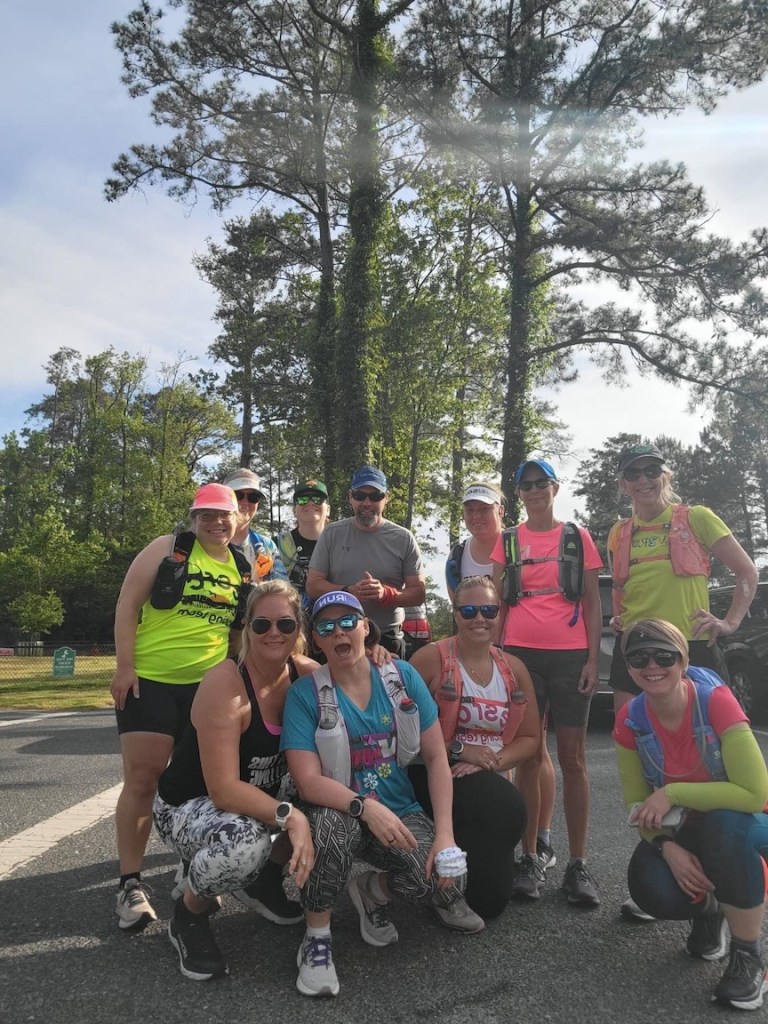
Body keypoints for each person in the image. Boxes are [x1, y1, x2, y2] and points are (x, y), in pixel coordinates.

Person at [282, 591, 482, 998]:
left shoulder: (401, 676)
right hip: (337, 809)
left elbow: (436, 757)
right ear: (316, 641)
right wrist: (365, 807)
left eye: (347, 622)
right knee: (334, 834)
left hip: (399, 810)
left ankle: (372, 891)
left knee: (447, 882)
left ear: (365, 628)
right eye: (325, 627)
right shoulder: (306, 695)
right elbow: (307, 781)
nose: (338, 632)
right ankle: (317, 938)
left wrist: (445, 834)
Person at [607, 442, 757, 920]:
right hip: (634, 656)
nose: (644, 479)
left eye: (652, 470)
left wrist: (729, 622)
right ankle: (670, 855)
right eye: (634, 473)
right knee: (644, 756)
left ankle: (724, 858)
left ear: (664, 475)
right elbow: (621, 588)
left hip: (686, 651)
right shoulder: (619, 532)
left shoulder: (697, 516)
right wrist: (617, 617)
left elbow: (745, 570)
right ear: (624, 483)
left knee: (710, 758)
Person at [152, 581, 318, 980]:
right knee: (243, 845)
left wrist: (378, 649)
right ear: (246, 627)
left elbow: (357, 673)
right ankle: (188, 914)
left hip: (259, 800)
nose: (274, 633)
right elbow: (223, 790)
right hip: (188, 807)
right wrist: (292, 818)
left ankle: (263, 882)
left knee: (329, 799)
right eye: (261, 625)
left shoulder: (307, 675)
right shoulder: (225, 684)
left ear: (299, 629)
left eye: (285, 623)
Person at [110, 483, 252, 931]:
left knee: (200, 785)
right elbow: (128, 603)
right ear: (193, 518)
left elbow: (235, 633)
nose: (216, 523)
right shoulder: (166, 548)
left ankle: (192, 871)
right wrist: (125, 666)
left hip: (205, 691)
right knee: (142, 778)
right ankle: (129, 884)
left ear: (239, 519)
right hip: (150, 680)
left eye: (224, 515)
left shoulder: (242, 567)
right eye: (206, 515)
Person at [613, 619, 768, 1011]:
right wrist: (666, 848)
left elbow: (754, 793)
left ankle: (749, 956)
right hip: (684, 830)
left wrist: (673, 791)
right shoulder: (631, 719)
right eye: (639, 657)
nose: (652, 665)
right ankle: (711, 910)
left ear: (682, 659)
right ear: (629, 667)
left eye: (663, 655)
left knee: (726, 829)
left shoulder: (714, 700)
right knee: (651, 889)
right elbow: (636, 806)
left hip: (747, 825)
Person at [491, 458, 603, 906]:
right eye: (526, 485)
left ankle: (577, 864)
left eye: (542, 484)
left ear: (555, 488)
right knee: (531, 755)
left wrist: (594, 659)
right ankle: (530, 857)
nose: (534, 491)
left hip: (571, 656)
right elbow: (497, 603)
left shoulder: (577, 537)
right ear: (518, 493)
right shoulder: (509, 541)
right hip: (521, 657)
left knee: (573, 759)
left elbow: (594, 602)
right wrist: (497, 658)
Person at [409, 575, 539, 919]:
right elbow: (398, 728)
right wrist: (457, 750)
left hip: (486, 778)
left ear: (500, 614)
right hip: (430, 775)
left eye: (488, 610)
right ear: (455, 615)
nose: (478, 618)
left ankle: (451, 875)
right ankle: (431, 875)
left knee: (490, 903)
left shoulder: (514, 669)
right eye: (468, 610)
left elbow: (530, 739)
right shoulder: (429, 659)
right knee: (505, 803)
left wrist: (490, 761)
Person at [306, 466, 426, 657]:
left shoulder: (403, 538)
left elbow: (418, 592)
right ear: (350, 497)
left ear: (386, 497)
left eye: (375, 496)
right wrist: (347, 592)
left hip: (386, 636)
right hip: (338, 634)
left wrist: (386, 594)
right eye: (360, 495)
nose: (367, 503)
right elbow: (313, 585)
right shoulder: (332, 534)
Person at [221, 467, 288, 582]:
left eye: (253, 497)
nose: (245, 502)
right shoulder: (204, 540)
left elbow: (282, 590)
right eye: (238, 495)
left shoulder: (267, 546)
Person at [273, 478, 330, 607]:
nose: (310, 503)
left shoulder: (339, 544)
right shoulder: (276, 545)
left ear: (328, 510)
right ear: (294, 511)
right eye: (303, 500)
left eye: (317, 499)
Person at [445, 482, 507, 599]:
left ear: (500, 511)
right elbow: (458, 607)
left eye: (484, 509)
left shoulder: (518, 546)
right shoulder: (457, 556)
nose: (476, 516)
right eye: (469, 510)